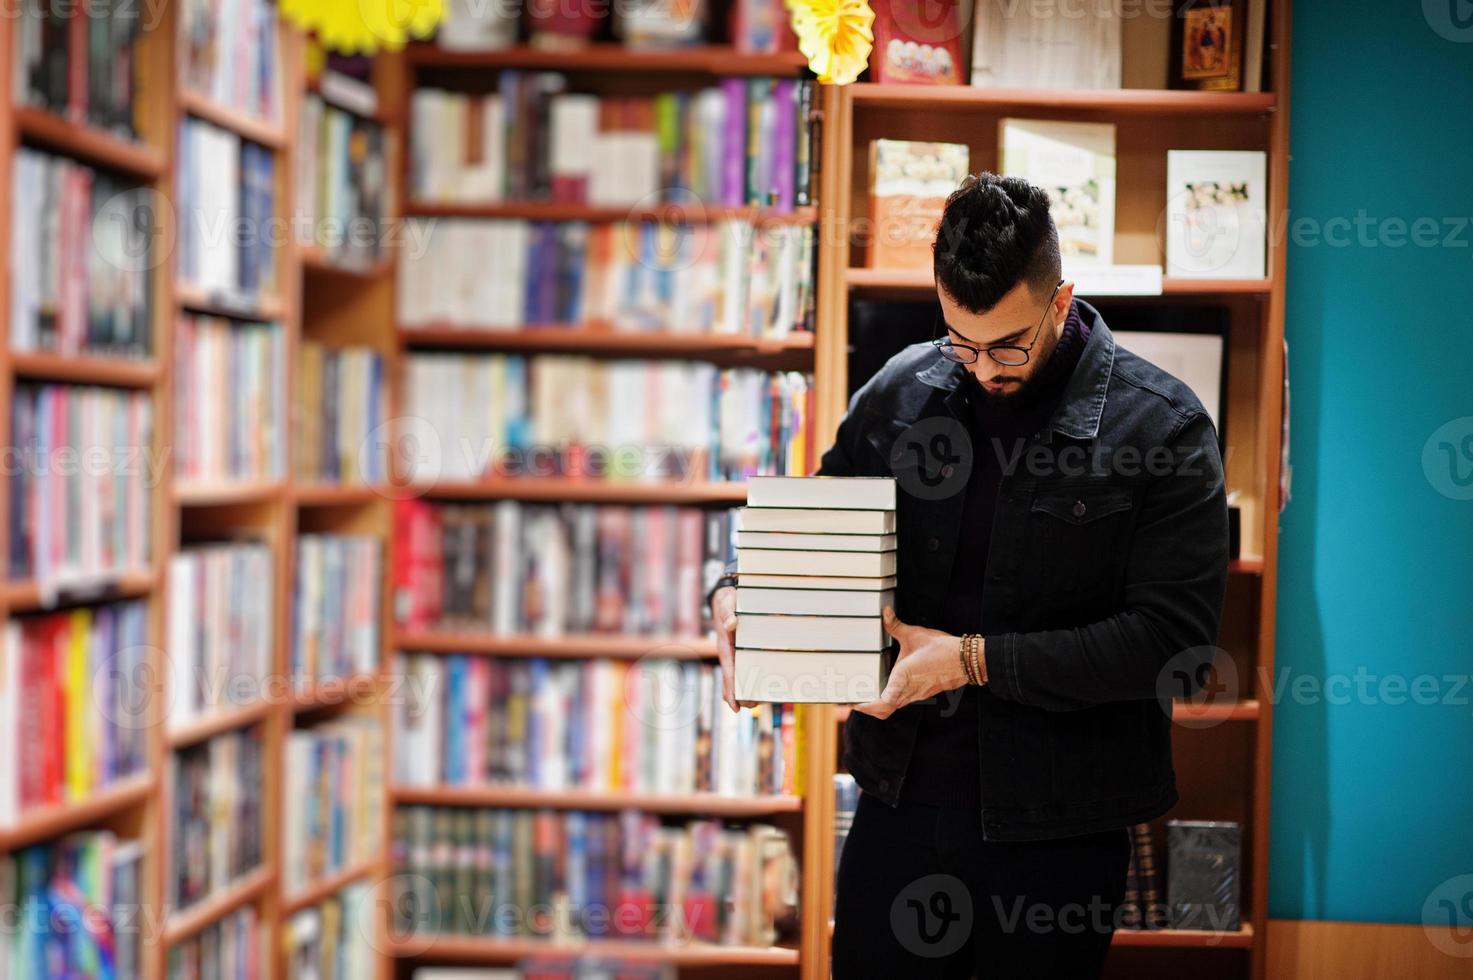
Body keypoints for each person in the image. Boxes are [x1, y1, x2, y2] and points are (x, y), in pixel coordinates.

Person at [708, 172, 1230, 977]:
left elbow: (1172, 646)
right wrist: (740, 592)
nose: (984, 368)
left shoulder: (1162, 427)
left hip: (1057, 832)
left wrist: (969, 659)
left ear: (1061, 301)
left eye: (1008, 343)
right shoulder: (905, 388)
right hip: (897, 804)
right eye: (961, 340)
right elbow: (815, 522)